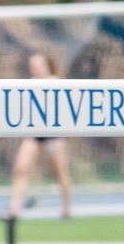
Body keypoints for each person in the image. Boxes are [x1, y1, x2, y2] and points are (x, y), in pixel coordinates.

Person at [6, 52, 74, 221]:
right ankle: (15, 208)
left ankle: (67, 208)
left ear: (46, 65)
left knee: (60, 171)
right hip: (35, 133)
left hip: (54, 134)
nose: (34, 68)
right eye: (32, 65)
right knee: (21, 167)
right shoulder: (29, 84)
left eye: (37, 64)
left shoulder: (56, 82)